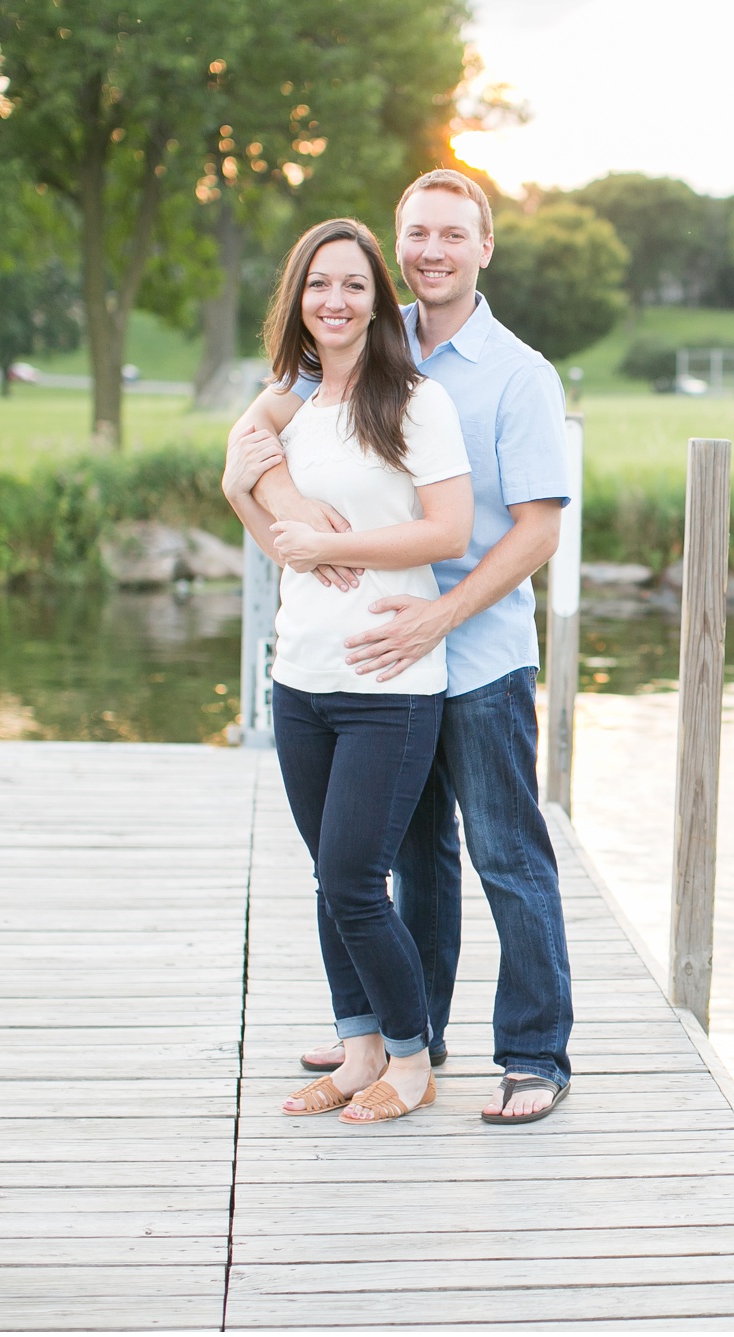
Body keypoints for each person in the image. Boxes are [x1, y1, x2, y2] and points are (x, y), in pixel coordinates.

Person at [224, 169, 576, 1123]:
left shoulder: (518, 375)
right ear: (396, 247)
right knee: (411, 859)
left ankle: (536, 1051)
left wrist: (440, 614)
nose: (432, 250)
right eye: (417, 232)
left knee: (507, 855)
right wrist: (286, 508)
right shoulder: (365, 352)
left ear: (484, 247)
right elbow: (254, 432)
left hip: (479, 651)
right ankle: (407, 1032)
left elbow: (535, 531)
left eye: (452, 235)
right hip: (381, 668)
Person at [223, 216, 474, 1125]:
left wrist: (343, 541)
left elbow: (447, 531)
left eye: (354, 285)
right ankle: (358, 1045)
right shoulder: (290, 406)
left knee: (355, 881)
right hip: (301, 679)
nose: (335, 301)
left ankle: (411, 1060)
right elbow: (271, 532)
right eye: (319, 285)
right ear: (298, 299)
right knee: (329, 878)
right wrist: (250, 500)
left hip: (390, 685)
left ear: (379, 301)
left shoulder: (414, 401)